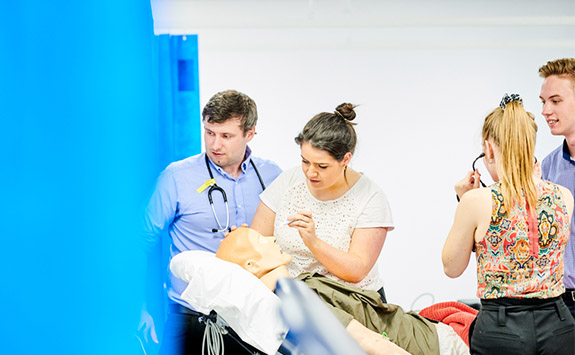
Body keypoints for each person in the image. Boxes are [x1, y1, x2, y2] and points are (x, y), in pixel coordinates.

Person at [140, 90, 282, 354]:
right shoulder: (176, 178)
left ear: (250, 134)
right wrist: (139, 307)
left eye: (226, 136)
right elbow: (140, 244)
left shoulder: (272, 176)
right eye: (209, 133)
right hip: (193, 316)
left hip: (255, 318)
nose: (215, 145)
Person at [442, 93, 575, 354]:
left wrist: (464, 200)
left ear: (488, 148)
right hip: (561, 325)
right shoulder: (564, 197)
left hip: (502, 329)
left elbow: (452, 267)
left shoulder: (477, 200)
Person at [214, 227, 469, 355]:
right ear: (252, 265)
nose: (271, 239)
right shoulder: (298, 301)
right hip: (433, 345)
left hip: (425, 330)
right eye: (261, 240)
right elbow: (371, 343)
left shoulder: (298, 288)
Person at [250, 103, 394, 301]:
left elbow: (356, 271)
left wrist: (313, 242)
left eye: (322, 166)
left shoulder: (370, 197)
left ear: (345, 159)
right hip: (296, 300)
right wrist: (243, 241)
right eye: (305, 161)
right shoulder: (289, 181)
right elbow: (258, 240)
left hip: (353, 302)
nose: (310, 172)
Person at [538, 58, 575, 318]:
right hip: (561, 304)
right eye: (543, 102)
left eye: (555, 100)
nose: (545, 110)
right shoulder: (549, 166)